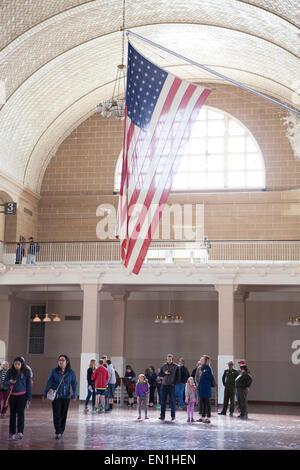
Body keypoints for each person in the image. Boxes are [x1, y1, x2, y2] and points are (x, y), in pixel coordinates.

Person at [43, 354, 78, 439]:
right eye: (59, 360)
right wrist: (45, 394)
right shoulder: (54, 371)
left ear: (67, 362)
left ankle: (61, 430)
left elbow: (74, 384)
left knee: (63, 414)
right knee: (57, 414)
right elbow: (49, 382)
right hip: (56, 396)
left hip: (66, 396)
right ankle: (58, 431)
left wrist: (75, 394)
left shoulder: (71, 372)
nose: (61, 362)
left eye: (63, 360)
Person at [4, 356, 32, 439]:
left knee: (21, 414)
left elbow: (29, 386)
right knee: (12, 414)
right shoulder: (9, 371)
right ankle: (11, 432)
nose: (16, 365)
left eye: (18, 364)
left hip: (22, 396)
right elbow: (4, 383)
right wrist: (10, 382)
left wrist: (29, 398)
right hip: (12, 396)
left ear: (22, 364)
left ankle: (20, 432)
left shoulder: (26, 372)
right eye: (15, 364)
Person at [158, 354, 179, 421]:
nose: (169, 360)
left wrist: (174, 384)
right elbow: (160, 374)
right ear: (166, 359)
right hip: (164, 385)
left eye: (170, 359)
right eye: (168, 359)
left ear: (172, 359)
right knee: (162, 401)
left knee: (172, 401)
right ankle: (162, 415)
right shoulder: (163, 365)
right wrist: (164, 373)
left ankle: (173, 416)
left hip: (171, 386)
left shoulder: (176, 366)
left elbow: (178, 376)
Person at [196, 355, 213, 424]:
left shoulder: (208, 368)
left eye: (202, 359)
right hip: (202, 387)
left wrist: (204, 374)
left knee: (207, 403)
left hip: (206, 387)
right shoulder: (202, 368)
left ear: (205, 361)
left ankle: (208, 418)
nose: (201, 360)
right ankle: (203, 417)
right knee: (202, 403)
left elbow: (210, 377)